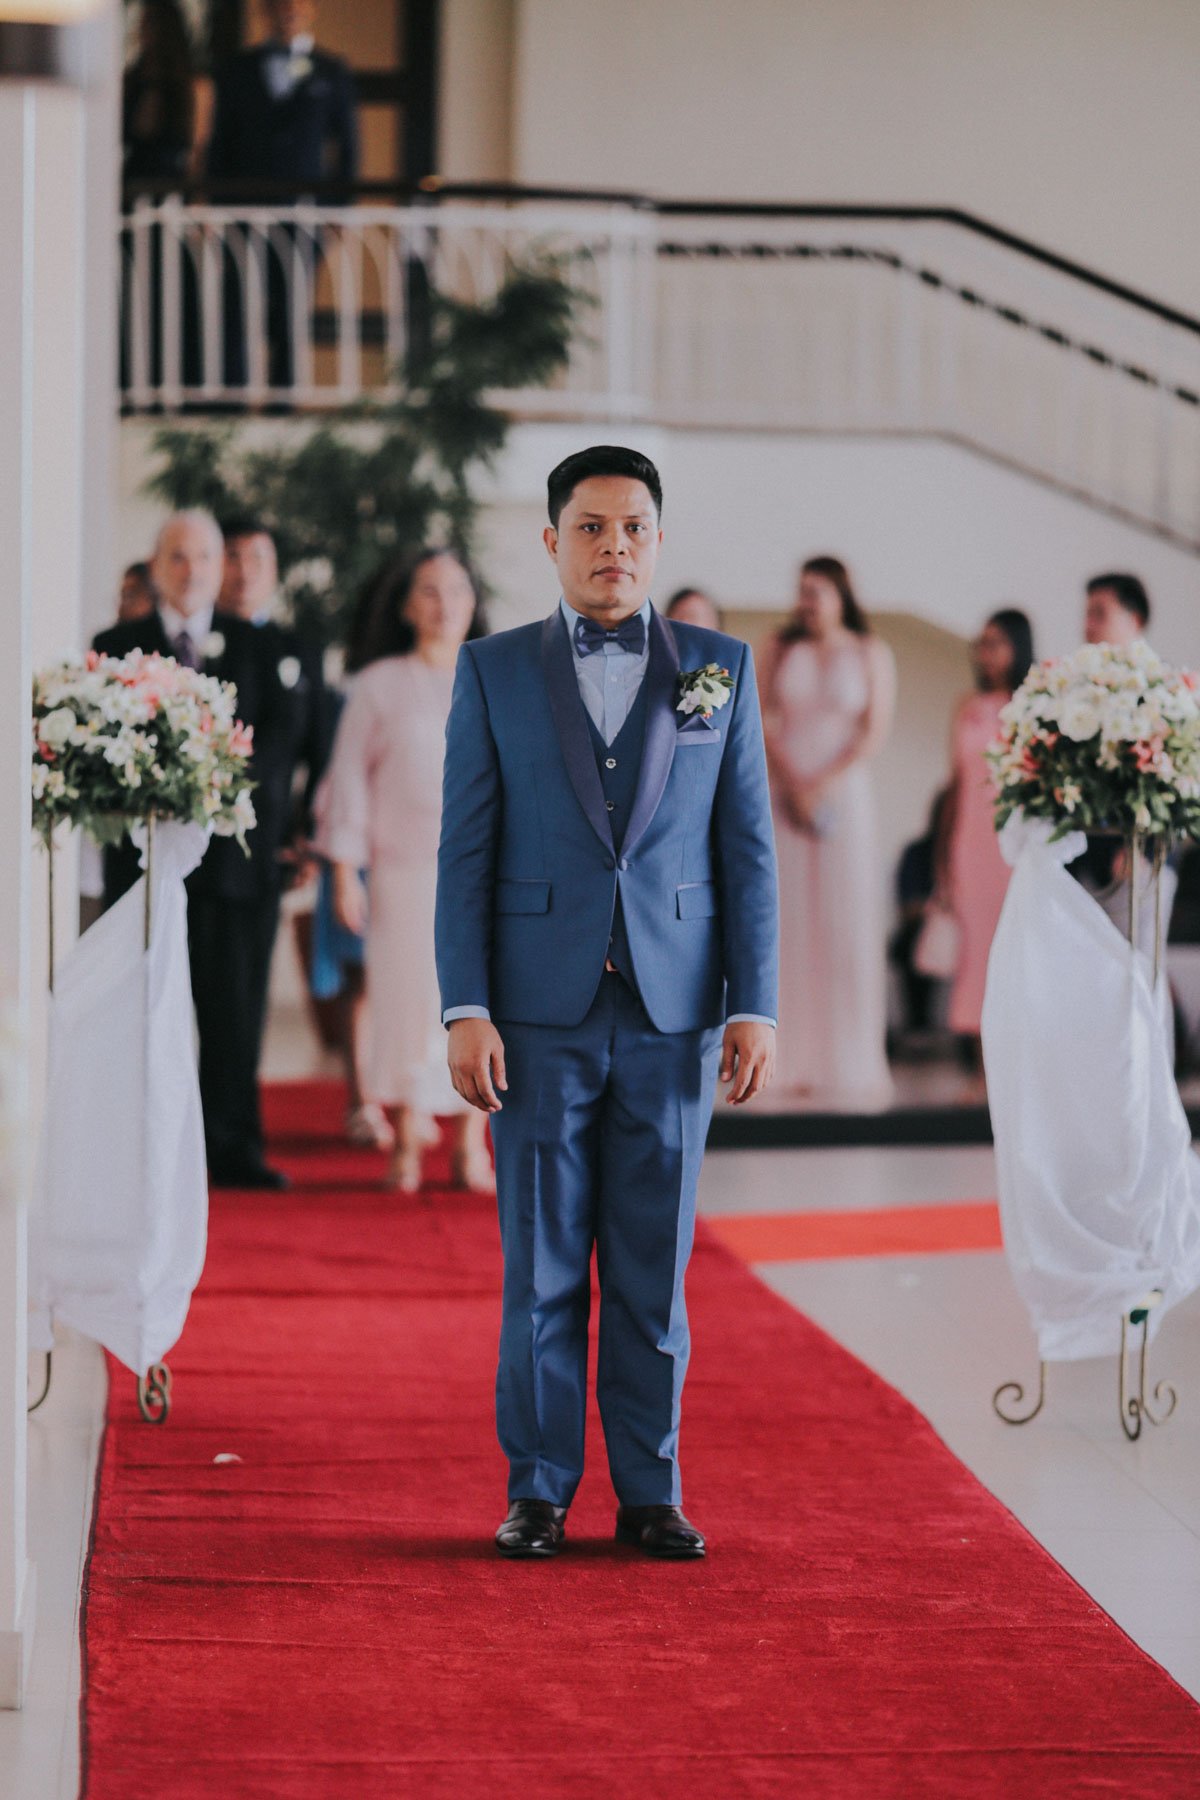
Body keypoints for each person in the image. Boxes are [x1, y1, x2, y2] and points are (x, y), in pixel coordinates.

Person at [436, 445, 778, 1561]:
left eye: (633, 528)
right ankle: (537, 1490)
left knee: (652, 1267)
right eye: (590, 528)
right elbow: (465, 850)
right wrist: (465, 1004)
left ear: (658, 541)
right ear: (552, 541)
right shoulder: (493, 670)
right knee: (539, 1266)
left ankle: (650, 1491)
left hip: (676, 1016)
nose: (613, 548)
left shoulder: (720, 668)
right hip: (536, 1014)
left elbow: (747, 852)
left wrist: (756, 1004)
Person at [95, 510, 320, 1189]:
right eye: (176, 556)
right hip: (141, 868)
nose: (190, 570)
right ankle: (135, 1153)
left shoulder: (262, 647)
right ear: (156, 566)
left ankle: (231, 1148)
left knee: (234, 1014)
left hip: (236, 867)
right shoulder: (115, 645)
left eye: (203, 557)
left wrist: (209, 792)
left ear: (220, 567)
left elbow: (277, 747)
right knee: (139, 1012)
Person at [318, 549, 494, 1193]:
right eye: (429, 591)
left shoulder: (496, 678)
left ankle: (471, 1147)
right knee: (403, 1003)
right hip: (400, 873)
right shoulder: (378, 684)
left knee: (479, 1002)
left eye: (456, 590)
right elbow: (347, 780)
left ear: (473, 602)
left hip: (482, 873)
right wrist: (344, 870)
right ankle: (407, 1143)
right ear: (405, 607)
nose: (444, 604)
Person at [761, 556, 895, 1107]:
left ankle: (848, 1059)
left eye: (817, 591)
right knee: (787, 920)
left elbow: (872, 731)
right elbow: (761, 717)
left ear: (841, 595)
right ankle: (787, 1059)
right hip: (784, 791)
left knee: (845, 922)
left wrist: (821, 784)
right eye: (802, 590)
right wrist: (793, 781)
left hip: (843, 796)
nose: (807, 601)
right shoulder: (778, 647)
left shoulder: (869, 651)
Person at [206, 0, 358, 392]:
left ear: (312, 9)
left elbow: (347, 149)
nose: (288, 10)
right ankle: (233, 399)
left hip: (303, 212)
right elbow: (220, 143)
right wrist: (213, 206)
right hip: (244, 209)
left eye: (297, 3)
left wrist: (338, 210)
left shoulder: (332, 70)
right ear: (264, 10)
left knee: (291, 312)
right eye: (279, 3)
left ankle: (282, 402)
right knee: (237, 308)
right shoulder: (236, 70)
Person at [937, 609, 1034, 1049]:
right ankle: (982, 1060)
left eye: (996, 643)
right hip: (971, 845)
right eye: (983, 644)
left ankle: (1016, 1057)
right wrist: (942, 855)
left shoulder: (1033, 708)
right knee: (977, 954)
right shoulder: (967, 708)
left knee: (1015, 948)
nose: (986, 654)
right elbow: (955, 785)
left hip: (1015, 846)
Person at [1076, 572, 1177, 961]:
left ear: (1134, 620)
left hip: (1141, 864)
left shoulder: (1165, 693)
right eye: (1086, 614)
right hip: (1086, 864)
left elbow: (1178, 780)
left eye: (1099, 613)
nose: (1088, 625)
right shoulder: (1078, 693)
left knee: (1138, 974)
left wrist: (1141, 849)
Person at [122, 0, 196, 185]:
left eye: (149, 22)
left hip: (171, 178)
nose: (141, 29)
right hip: (135, 176)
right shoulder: (133, 78)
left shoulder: (186, 83)